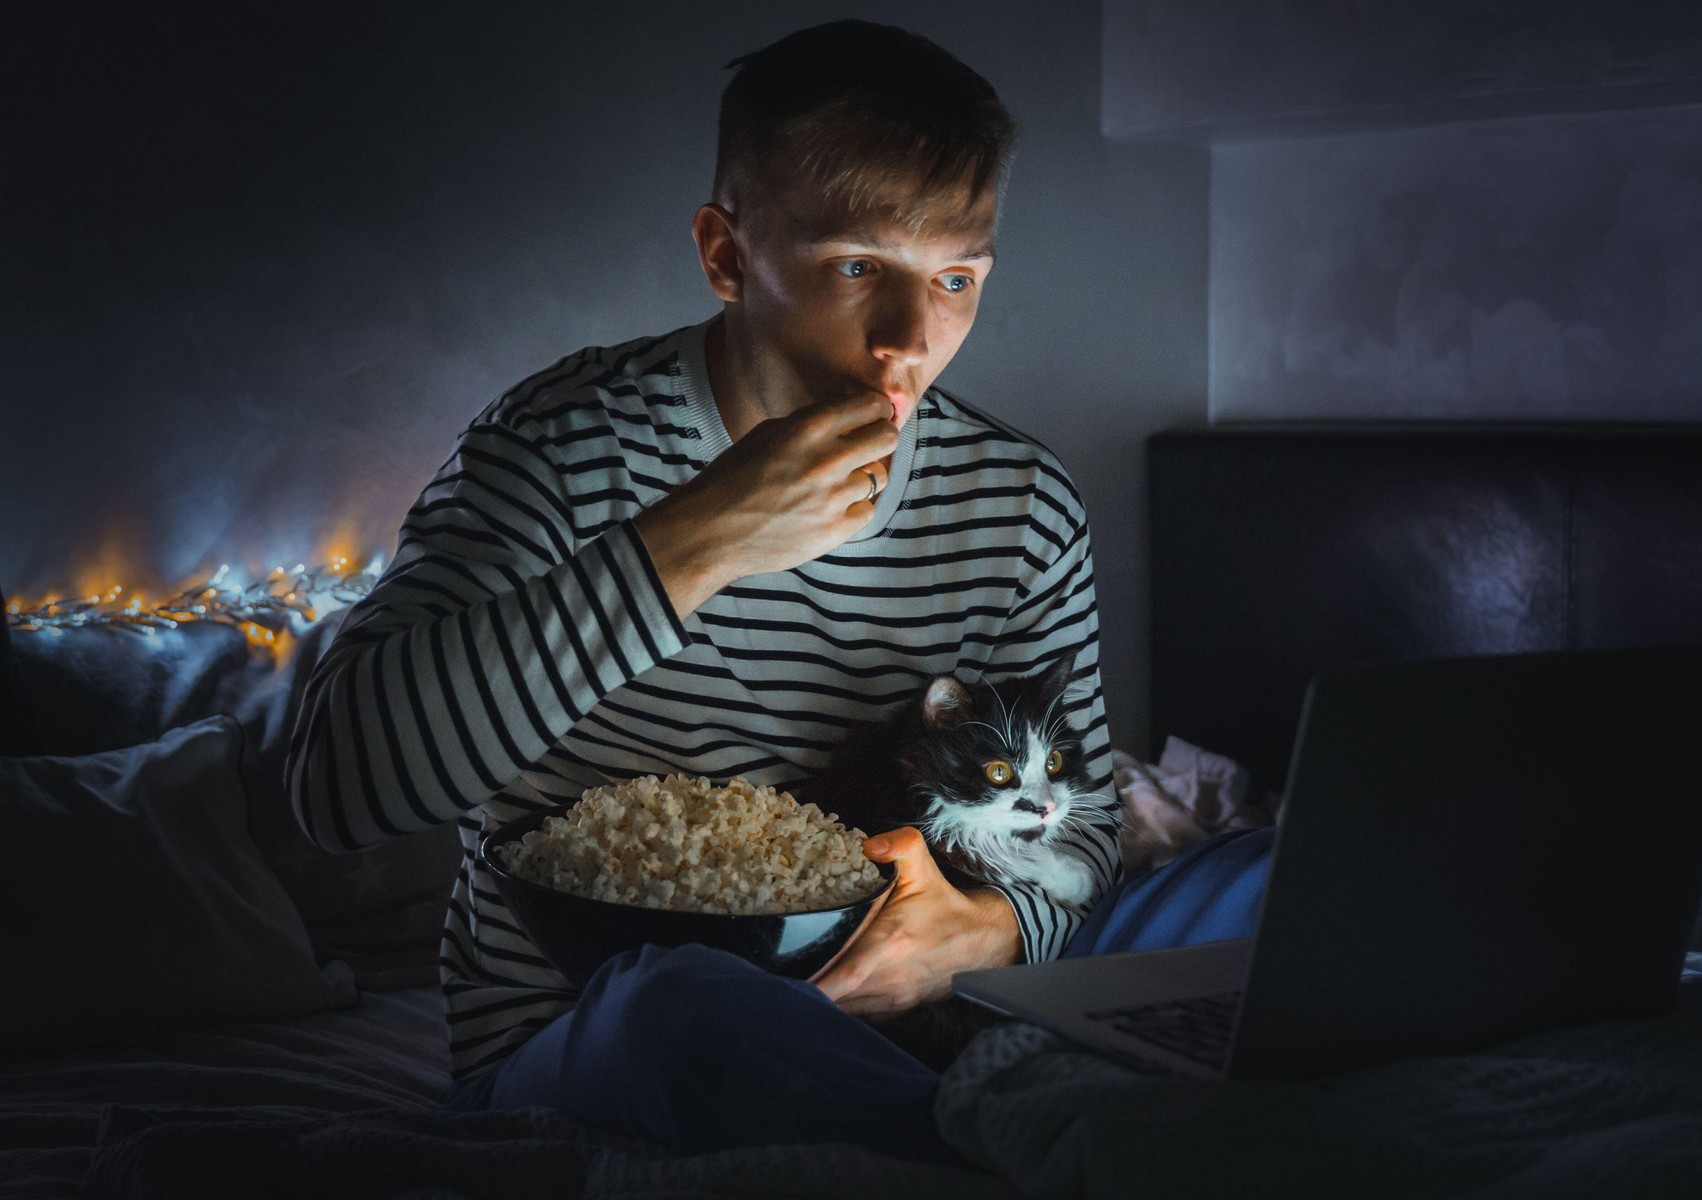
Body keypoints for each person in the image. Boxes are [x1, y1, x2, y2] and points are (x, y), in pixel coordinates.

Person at [287, 18, 1271, 1167]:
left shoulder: (1022, 501)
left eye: (957, 278)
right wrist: (692, 542)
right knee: (682, 1010)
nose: (914, 338)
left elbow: (1089, 823)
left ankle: (1017, 1129)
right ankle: (1049, 1155)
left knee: (1265, 886)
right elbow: (336, 793)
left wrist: (996, 930)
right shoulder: (558, 446)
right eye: (860, 268)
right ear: (725, 254)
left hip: (937, 1015)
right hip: (603, 1034)